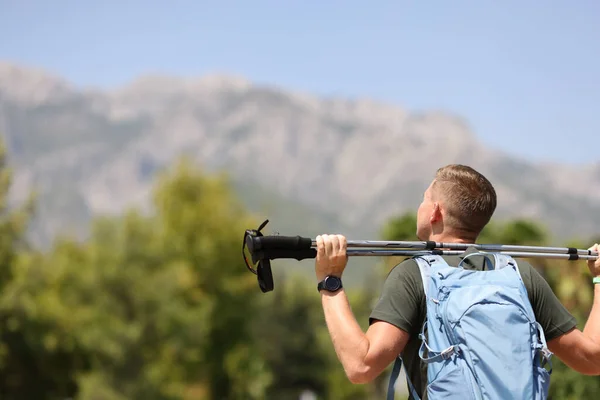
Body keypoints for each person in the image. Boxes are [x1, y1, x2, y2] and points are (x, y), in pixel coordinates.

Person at [314, 164, 600, 398]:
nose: (420, 206)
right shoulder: (521, 275)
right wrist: (598, 280)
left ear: (436, 212)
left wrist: (330, 281)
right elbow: (592, 359)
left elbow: (361, 365)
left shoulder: (414, 275)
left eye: (424, 199)